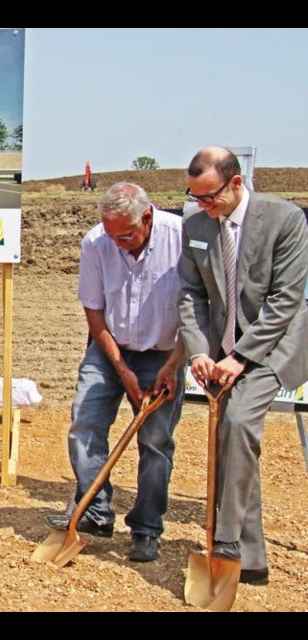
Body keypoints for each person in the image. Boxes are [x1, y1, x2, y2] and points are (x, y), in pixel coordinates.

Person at [178, 146, 308, 585]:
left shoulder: (284, 219)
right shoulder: (196, 224)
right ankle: (251, 559)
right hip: (221, 351)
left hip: (275, 347)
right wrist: (199, 351)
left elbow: (285, 300)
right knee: (229, 440)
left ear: (236, 183)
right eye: (195, 197)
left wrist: (241, 357)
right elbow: (190, 294)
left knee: (236, 424)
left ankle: (228, 539)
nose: (202, 207)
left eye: (209, 197)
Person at [43, 182, 185, 562]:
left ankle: (146, 529)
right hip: (109, 349)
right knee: (84, 425)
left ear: (148, 217)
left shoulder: (182, 238)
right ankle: (96, 510)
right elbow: (94, 310)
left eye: (126, 235)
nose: (118, 244)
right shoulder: (96, 242)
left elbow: (196, 310)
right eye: (111, 236)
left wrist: (174, 365)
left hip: (164, 354)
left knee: (155, 442)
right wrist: (121, 369)